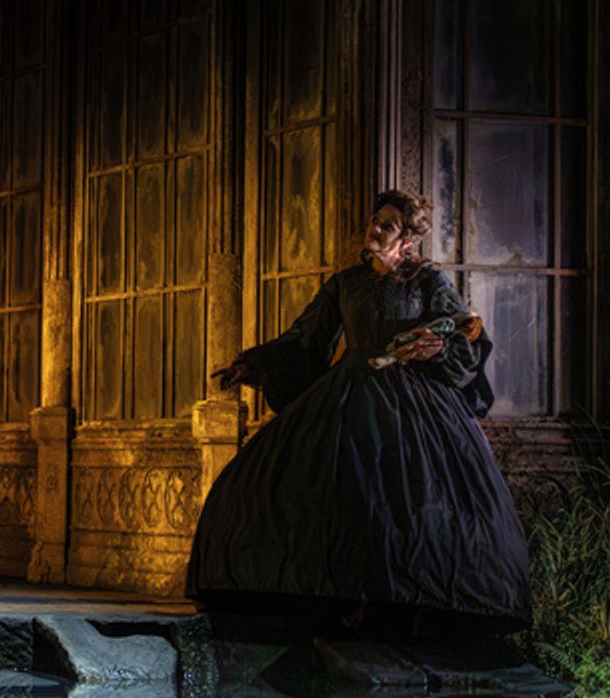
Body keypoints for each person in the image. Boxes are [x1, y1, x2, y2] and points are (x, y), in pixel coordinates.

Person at [186, 190, 529, 635]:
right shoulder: (346, 283)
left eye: (387, 224)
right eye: (375, 219)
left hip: (412, 401)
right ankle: (325, 602)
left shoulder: (427, 282)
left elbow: (464, 330)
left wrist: (435, 345)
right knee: (291, 487)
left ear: (406, 240)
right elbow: (306, 338)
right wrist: (253, 362)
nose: (376, 227)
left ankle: (403, 607)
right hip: (348, 393)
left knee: (404, 497)